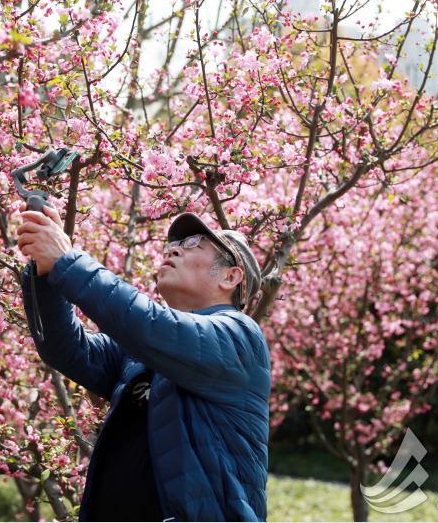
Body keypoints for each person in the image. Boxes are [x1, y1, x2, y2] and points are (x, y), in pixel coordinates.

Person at [16, 205, 271, 522]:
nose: (174, 248)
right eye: (173, 244)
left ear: (230, 276)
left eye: (194, 244)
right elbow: (65, 348)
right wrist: (45, 272)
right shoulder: (139, 353)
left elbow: (152, 326)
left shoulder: (239, 337)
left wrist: (66, 263)